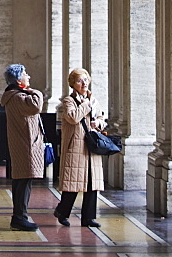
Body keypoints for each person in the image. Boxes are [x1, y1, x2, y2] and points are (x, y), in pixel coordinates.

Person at [54, 67, 105, 228]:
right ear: (73, 84)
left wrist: (98, 123)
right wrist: (87, 105)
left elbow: (102, 118)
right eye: (79, 81)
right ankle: (62, 212)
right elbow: (72, 117)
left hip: (91, 145)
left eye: (85, 79)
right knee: (73, 183)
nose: (83, 83)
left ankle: (88, 218)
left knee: (92, 183)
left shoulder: (93, 100)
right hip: (75, 146)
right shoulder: (69, 101)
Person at [0, 63, 44, 232]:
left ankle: (19, 217)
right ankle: (19, 218)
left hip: (23, 143)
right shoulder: (18, 97)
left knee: (22, 181)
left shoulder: (15, 96)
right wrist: (36, 91)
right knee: (23, 182)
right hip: (24, 145)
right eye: (26, 74)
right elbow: (36, 106)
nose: (29, 77)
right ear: (19, 79)